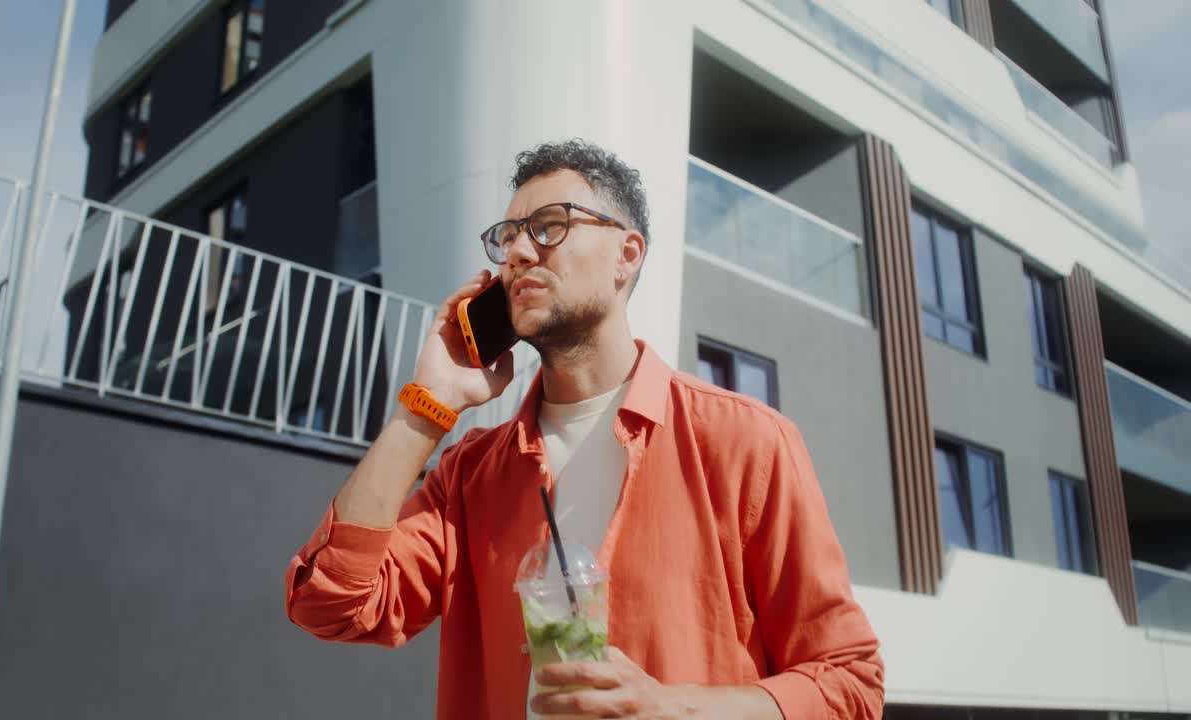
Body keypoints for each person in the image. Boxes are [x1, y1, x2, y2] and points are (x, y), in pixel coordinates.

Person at [285, 139, 885, 719]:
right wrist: (425, 409)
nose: (518, 250)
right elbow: (330, 603)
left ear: (626, 254)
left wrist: (672, 708)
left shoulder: (744, 441)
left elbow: (849, 685)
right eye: (509, 235)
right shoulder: (470, 475)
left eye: (549, 225)